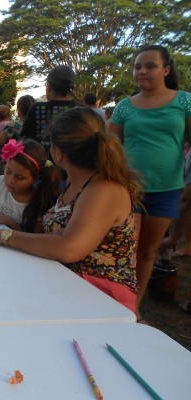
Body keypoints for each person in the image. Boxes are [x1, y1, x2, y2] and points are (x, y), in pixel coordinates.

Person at [0, 108, 141, 312]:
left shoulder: (103, 190)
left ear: (58, 153)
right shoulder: (76, 184)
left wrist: (5, 236)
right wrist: (12, 225)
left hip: (103, 298)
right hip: (69, 283)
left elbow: (68, 247)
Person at [109, 45, 191, 320]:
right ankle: (113, 299)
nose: (142, 71)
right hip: (129, 190)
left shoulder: (184, 102)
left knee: (147, 252)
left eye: (150, 65)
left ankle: (134, 306)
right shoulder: (124, 107)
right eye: (137, 66)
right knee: (125, 250)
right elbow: (111, 148)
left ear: (166, 70)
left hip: (166, 190)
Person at [19, 65, 77, 149]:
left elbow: (22, 140)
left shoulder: (36, 108)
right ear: (73, 87)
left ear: (48, 87)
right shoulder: (81, 110)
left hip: (38, 161)